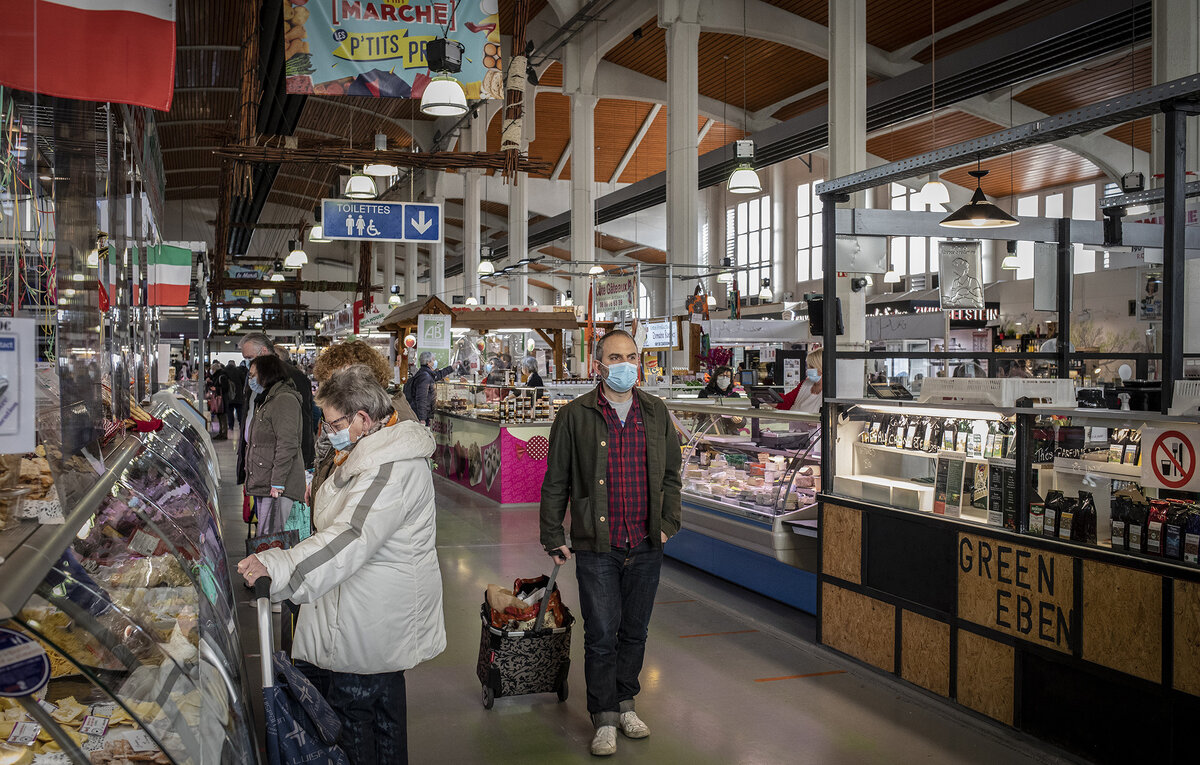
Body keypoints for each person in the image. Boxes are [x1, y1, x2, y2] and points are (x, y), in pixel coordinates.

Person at [236, 365, 445, 765]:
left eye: (332, 422)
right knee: (381, 718)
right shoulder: (369, 454)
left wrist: (279, 568)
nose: (326, 431)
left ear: (362, 419)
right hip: (364, 617)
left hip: (369, 624)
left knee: (358, 724)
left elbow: (350, 537)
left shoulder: (390, 468)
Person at [540, 329, 682, 757]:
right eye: (615, 357)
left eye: (631, 356)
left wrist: (667, 523)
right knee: (602, 634)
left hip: (645, 543)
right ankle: (603, 716)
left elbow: (673, 475)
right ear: (598, 365)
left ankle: (625, 703)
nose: (625, 364)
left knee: (634, 632)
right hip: (596, 544)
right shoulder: (575, 416)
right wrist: (552, 534)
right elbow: (556, 482)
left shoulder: (655, 412)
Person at [311, 339, 419, 500]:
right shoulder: (345, 413)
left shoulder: (389, 418)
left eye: (336, 383)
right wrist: (317, 484)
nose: (329, 391)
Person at [243, 354, 306, 535]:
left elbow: (287, 443)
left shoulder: (283, 400)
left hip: (278, 485)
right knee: (266, 534)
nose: (251, 379)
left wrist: (277, 483)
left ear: (266, 374)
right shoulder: (267, 398)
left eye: (253, 375)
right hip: (266, 480)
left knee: (272, 537)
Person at [240, 332, 315, 470]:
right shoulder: (252, 376)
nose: (247, 362)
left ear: (263, 351)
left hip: (278, 464)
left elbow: (303, 422)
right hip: (256, 459)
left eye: (249, 357)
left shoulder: (292, 377)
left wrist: (303, 463)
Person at [409, 351, 455, 425]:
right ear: (428, 362)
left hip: (423, 413)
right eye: (433, 360)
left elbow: (438, 375)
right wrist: (422, 418)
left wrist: (451, 368)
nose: (435, 362)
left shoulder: (426, 373)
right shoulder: (425, 376)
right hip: (421, 415)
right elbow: (421, 398)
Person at [778, 347, 824, 413]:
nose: (808, 370)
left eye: (812, 367)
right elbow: (786, 402)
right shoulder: (805, 384)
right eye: (807, 366)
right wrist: (769, 396)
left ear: (821, 367)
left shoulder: (832, 392)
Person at [206, 362, 230, 440]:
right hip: (219, 399)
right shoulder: (217, 376)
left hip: (222, 400)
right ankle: (221, 433)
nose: (211, 371)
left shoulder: (222, 376)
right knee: (220, 416)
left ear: (215, 369)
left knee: (223, 417)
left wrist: (216, 389)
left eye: (212, 369)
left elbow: (225, 388)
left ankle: (224, 433)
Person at [225, 360, 247, 433]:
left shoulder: (225, 371)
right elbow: (244, 381)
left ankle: (231, 426)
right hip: (239, 395)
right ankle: (241, 425)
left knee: (230, 412)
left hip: (229, 396)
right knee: (240, 412)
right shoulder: (238, 371)